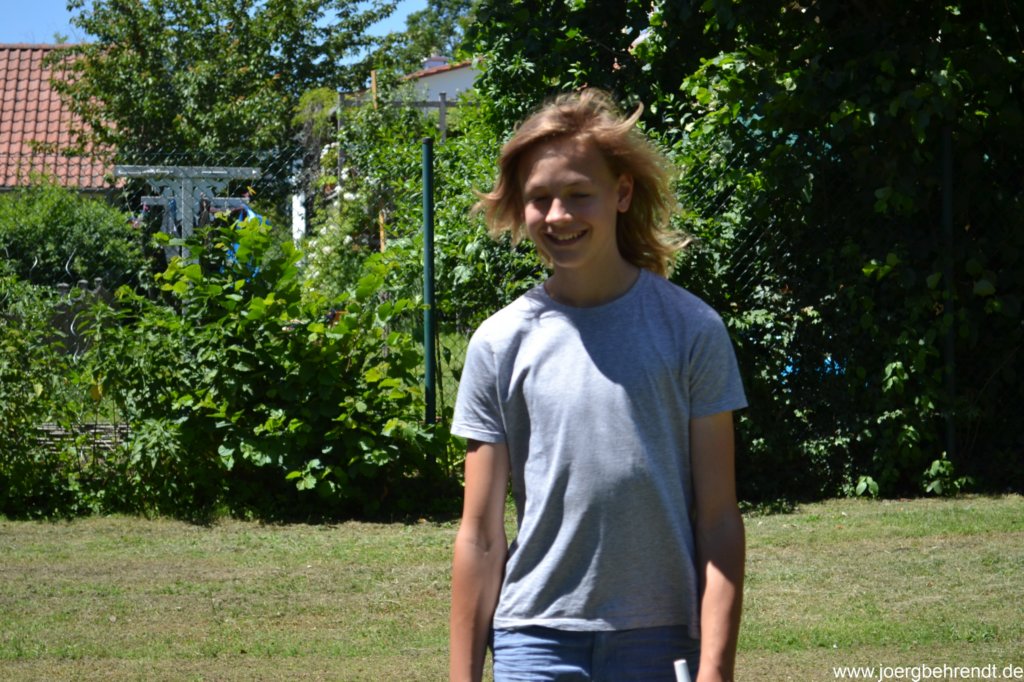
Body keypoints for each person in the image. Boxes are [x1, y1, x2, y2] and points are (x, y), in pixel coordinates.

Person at [449, 88, 747, 682]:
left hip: (660, 640)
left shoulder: (690, 329)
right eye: (539, 198)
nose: (558, 215)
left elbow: (718, 520)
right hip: (532, 641)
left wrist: (715, 670)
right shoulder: (500, 342)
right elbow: (479, 537)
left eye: (579, 193)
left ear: (622, 193)